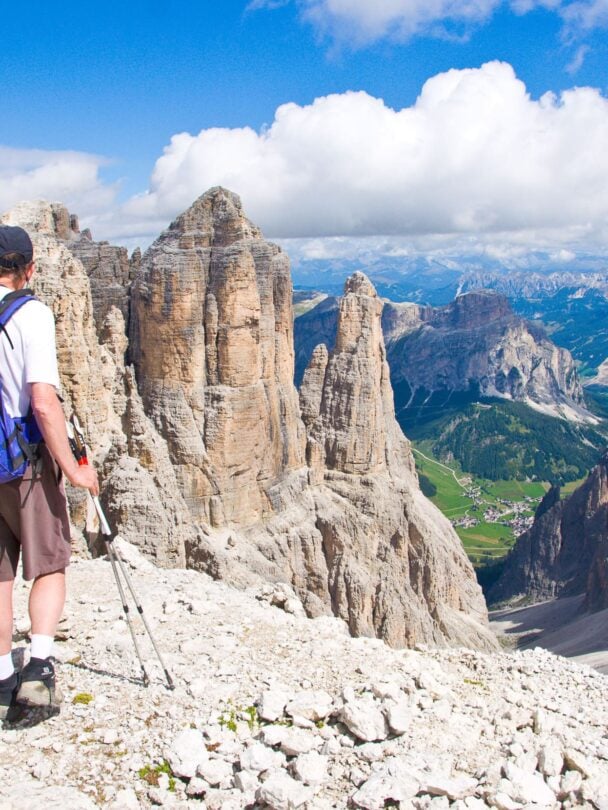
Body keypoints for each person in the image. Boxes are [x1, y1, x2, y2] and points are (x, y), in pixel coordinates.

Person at [0, 225, 98, 718]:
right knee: (49, 563)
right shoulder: (30, 313)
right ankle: (37, 672)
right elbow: (42, 400)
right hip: (23, 465)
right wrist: (74, 469)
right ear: (28, 269)